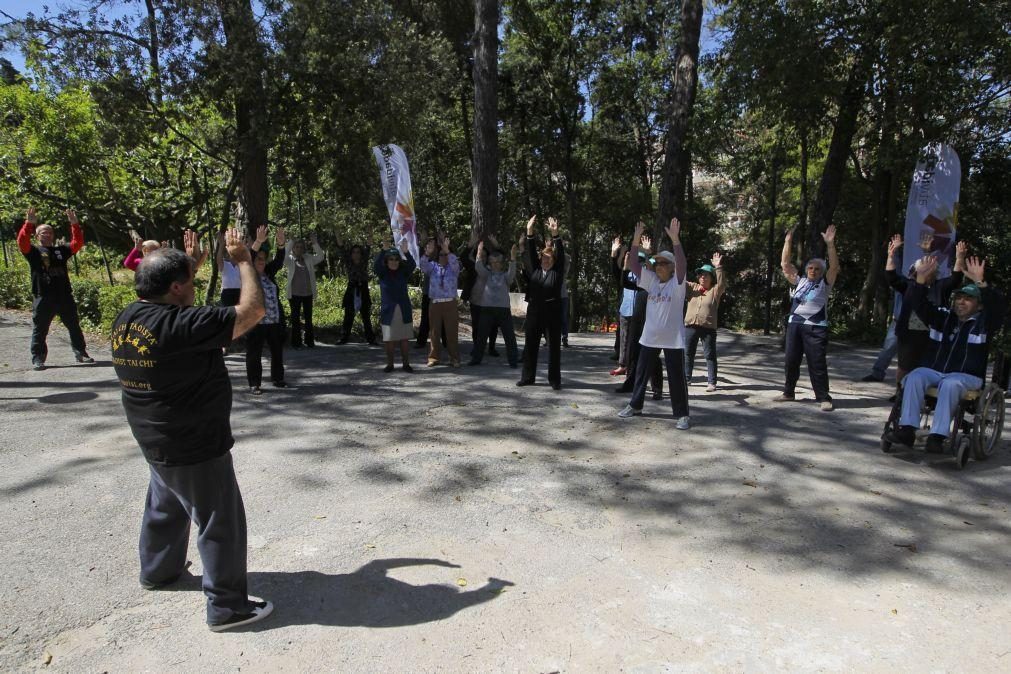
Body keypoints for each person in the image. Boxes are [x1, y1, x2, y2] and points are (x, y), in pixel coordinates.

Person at [110, 227, 272, 631]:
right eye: (190, 281)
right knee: (219, 519)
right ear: (178, 288)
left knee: (165, 506)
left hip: (154, 435)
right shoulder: (182, 326)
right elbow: (252, 311)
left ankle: (159, 571)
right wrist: (243, 261)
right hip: (194, 440)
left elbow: (180, 306)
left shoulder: (128, 318)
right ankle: (227, 607)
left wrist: (190, 266)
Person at [884, 255, 1006, 453]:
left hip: (967, 376)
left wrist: (980, 283)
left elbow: (999, 308)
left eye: (968, 299)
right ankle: (907, 430)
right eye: (958, 298)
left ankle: (938, 437)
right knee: (914, 376)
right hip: (937, 371)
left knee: (950, 384)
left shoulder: (985, 323)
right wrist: (920, 281)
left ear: (979, 305)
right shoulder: (943, 318)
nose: (961, 302)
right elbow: (918, 303)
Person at [618, 219, 690, 428]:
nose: (659, 266)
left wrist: (675, 240)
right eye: (657, 263)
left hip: (672, 338)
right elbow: (632, 264)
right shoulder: (651, 281)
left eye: (663, 263)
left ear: (672, 268)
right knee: (640, 373)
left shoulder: (677, 284)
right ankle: (635, 405)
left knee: (677, 378)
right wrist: (636, 240)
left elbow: (682, 264)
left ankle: (683, 414)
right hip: (650, 336)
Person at [17, 206, 94, 370]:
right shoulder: (33, 251)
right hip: (43, 296)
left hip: (64, 295)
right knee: (41, 329)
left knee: (74, 325)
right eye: (43, 232)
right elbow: (22, 242)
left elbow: (77, 243)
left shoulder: (61, 250)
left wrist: (75, 224)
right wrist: (28, 224)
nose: (47, 234)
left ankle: (81, 352)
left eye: (50, 232)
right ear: (37, 236)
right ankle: (38, 358)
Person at [886, 235, 965, 389]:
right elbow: (891, 277)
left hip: (932, 333)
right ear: (915, 272)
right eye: (924, 269)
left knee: (928, 366)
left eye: (932, 269)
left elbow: (955, 278)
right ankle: (900, 392)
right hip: (909, 333)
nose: (929, 270)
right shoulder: (908, 285)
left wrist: (960, 258)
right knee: (904, 366)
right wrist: (891, 255)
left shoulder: (940, 286)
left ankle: (925, 393)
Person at [774, 225, 839, 411]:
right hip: (795, 325)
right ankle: (788, 392)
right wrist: (787, 241)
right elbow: (785, 265)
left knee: (816, 362)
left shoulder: (825, 283)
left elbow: (834, 267)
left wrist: (830, 245)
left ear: (822, 271)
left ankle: (823, 397)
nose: (813, 271)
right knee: (791, 360)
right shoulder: (800, 280)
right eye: (810, 268)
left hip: (816, 327)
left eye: (817, 269)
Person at [518, 215, 566, 389]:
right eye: (543, 259)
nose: (545, 261)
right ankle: (527, 377)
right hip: (535, 311)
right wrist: (529, 231)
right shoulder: (536, 270)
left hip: (552, 311)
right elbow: (530, 251)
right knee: (531, 344)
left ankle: (554, 380)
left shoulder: (557, 272)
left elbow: (560, 255)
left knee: (553, 347)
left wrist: (555, 234)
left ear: (553, 261)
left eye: (548, 259)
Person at [245, 226, 288, 394]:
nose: (261, 261)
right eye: (258, 259)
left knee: (277, 351)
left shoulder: (269, 273)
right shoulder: (249, 274)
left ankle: (278, 378)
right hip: (256, 322)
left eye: (263, 259)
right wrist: (258, 241)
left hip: (273, 320)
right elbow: (249, 256)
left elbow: (279, 260)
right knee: (254, 353)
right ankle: (254, 383)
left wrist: (281, 243)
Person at [468, 241, 519, 367]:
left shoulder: (505, 277)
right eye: (493, 262)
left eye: (498, 262)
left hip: (503, 309)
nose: (495, 265)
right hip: (487, 309)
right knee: (481, 336)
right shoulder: (487, 274)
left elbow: (512, 274)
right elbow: (478, 268)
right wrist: (479, 254)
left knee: (509, 336)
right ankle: (476, 359)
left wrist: (513, 258)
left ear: (502, 264)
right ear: (489, 263)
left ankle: (513, 360)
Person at [683, 252, 728, 392]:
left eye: (706, 275)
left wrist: (718, 267)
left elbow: (722, 283)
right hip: (690, 326)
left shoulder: (715, 291)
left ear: (711, 278)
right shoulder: (692, 288)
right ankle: (686, 378)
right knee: (688, 353)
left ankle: (712, 382)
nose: (703, 277)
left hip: (708, 328)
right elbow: (679, 279)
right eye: (701, 274)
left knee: (710, 355)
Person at [419, 235, 462, 367]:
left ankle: (454, 358)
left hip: (450, 303)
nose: (444, 257)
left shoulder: (454, 267)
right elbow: (422, 265)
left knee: (451, 332)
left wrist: (448, 251)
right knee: (434, 332)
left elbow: (456, 263)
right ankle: (434, 357)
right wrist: (427, 252)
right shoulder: (432, 267)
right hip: (435, 303)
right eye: (441, 255)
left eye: (446, 255)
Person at [374, 238, 416, 372]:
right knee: (389, 340)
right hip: (388, 311)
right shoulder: (382, 273)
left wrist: (406, 252)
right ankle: (390, 364)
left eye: (396, 259)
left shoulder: (403, 272)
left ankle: (406, 364)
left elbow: (412, 265)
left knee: (404, 339)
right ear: (386, 261)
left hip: (403, 310)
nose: (393, 261)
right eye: (390, 259)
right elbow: (375, 266)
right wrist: (383, 251)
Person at [285, 232, 325, 349]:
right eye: (297, 247)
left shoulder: (308, 258)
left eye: (301, 247)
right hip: (294, 294)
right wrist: (291, 241)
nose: (299, 249)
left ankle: (309, 341)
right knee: (295, 318)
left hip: (308, 293)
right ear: (293, 248)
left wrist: (315, 243)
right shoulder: (290, 260)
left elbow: (321, 256)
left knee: (308, 318)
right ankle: (296, 342)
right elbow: (282, 256)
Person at [335, 235, 376, 345]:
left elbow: (368, 246)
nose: (356, 254)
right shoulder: (348, 262)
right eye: (354, 252)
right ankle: (344, 338)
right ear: (351, 254)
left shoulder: (364, 261)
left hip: (363, 288)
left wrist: (370, 232)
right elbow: (341, 248)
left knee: (366, 316)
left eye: (358, 252)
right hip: (352, 288)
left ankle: (370, 339)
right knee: (348, 315)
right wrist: (337, 231)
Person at [465, 234, 501, 358]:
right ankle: (477, 348)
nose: (483, 257)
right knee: (476, 326)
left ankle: (491, 348)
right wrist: (470, 245)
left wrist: (496, 246)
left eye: (485, 256)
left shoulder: (493, 267)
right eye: (481, 255)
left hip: (491, 302)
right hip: (476, 301)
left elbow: (501, 256)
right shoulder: (473, 266)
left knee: (493, 326)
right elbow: (463, 257)